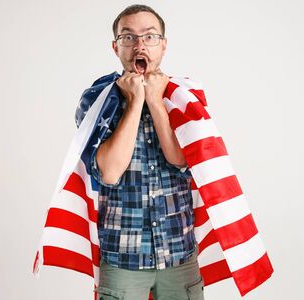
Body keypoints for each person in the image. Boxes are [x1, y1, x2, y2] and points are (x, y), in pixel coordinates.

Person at [86, 4, 205, 300]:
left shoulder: (184, 97)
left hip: (179, 252)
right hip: (123, 256)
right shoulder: (99, 99)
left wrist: (155, 100)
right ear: (116, 47)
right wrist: (136, 100)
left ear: (163, 45)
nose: (140, 45)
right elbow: (109, 173)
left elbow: (181, 160)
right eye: (128, 37)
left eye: (150, 36)